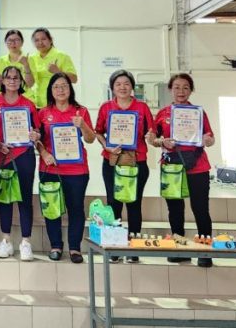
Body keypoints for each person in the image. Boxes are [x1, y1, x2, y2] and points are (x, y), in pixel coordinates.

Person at [151, 73, 215, 267]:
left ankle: (205, 251)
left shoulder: (198, 112)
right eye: (177, 87)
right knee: (175, 209)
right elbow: (152, 138)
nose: (181, 91)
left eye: (185, 87)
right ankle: (179, 248)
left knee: (200, 209)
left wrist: (206, 140)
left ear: (191, 90)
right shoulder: (163, 113)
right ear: (170, 89)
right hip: (172, 166)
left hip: (198, 165)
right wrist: (162, 141)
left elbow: (211, 138)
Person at [91, 70, 155, 263]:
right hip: (112, 162)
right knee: (114, 204)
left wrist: (151, 137)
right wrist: (106, 146)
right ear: (112, 88)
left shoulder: (142, 107)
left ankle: (134, 248)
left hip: (137, 162)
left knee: (134, 205)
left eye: (126, 83)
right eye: (118, 84)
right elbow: (98, 132)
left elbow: (151, 132)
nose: (122, 87)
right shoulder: (106, 107)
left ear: (132, 86)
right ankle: (115, 246)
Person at [36, 72, 94, 264]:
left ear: (70, 89)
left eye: (64, 86)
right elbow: (37, 140)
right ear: (50, 91)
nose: (60, 90)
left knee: (76, 209)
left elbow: (90, 139)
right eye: (56, 87)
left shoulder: (80, 111)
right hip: (50, 169)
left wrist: (83, 125)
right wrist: (44, 153)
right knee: (52, 209)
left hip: (77, 170)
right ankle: (56, 246)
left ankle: (75, 248)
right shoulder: (43, 113)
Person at [0, 65, 40, 261]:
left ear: (21, 81)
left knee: (25, 198)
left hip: (24, 154)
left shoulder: (28, 104)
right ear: (2, 81)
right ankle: (6, 240)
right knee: (5, 199)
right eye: (8, 77)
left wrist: (35, 135)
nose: (12, 81)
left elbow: (37, 130)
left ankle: (26, 242)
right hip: (3, 155)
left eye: (16, 78)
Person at [27, 28, 78, 108]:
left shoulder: (62, 56)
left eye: (43, 39)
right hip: (39, 103)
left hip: (58, 102)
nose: (40, 43)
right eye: (36, 40)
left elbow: (74, 79)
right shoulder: (32, 58)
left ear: (51, 40)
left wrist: (58, 71)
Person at [2, 30, 35, 94]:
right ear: (5, 42)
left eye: (16, 40)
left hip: (26, 96)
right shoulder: (1, 60)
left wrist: (26, 65)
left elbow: (30, 84)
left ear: (22, 42)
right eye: (10, 40)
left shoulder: (29, 59)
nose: (13, 43)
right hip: (7, 97)